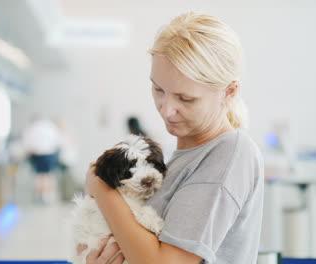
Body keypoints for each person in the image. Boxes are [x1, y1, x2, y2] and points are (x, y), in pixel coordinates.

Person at [79, 12, 264, 264]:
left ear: (229, 92)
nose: (166, 110)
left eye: (185, 98)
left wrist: (101, 187)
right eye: (158, 89)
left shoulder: (231, 153)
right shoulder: (174, 158)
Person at [22, 116, 62, 204]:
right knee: (48, 175)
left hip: (38, 154)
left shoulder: (32, 128)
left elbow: (27, 143)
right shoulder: (49, 126)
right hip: (49, 153)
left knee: (40, 176)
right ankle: (46, 195)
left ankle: (41, 196)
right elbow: (57, 141)